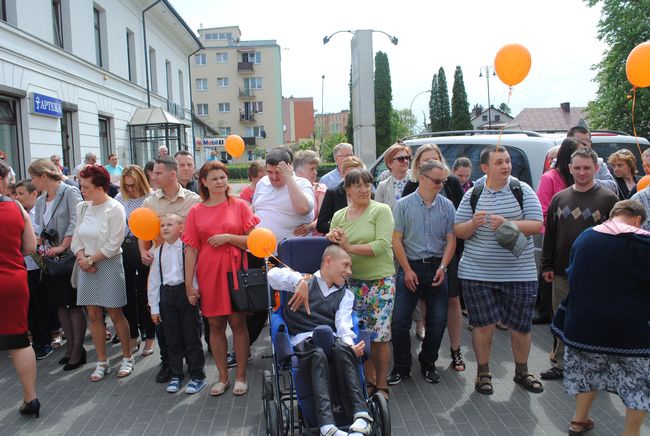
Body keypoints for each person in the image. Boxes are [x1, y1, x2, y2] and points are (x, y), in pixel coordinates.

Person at [551, 200, 650, 436]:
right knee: (637, 384)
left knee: (588, 373)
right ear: (638, 220)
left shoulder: (585, 237)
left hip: (584, 326)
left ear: (613, 215)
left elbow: (573, 275)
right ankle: (631, 433)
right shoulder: (644, 242)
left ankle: (578, 421)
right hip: (630, 331)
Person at [454, 145, 544, 395]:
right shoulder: (474, 192)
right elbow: (458, 230)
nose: (506, 166)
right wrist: (473, 223)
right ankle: (483, 373)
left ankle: (522, 371)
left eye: (507, 161)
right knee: (483, 326)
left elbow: (538, 225)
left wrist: (509, 223)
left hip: (520, 272)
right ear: (485, 168)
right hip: (477, 273)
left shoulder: (521, 189)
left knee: (521, 326)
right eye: (499, 162)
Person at [267, 245, 373, 436]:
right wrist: (299, 281)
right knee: (317, 353)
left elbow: (343, 325)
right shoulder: (302, 280)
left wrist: (351, 346)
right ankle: (326, 425)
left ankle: (361, 416)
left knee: (342, 348)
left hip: (332, 340)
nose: (349, 272)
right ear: (328, 261)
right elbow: (271, 275)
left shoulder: (345, 294)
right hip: (304, 340)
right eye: (346, 265)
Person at [540, 148, 619, 382]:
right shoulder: (559, 198)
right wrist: (547, 266)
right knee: (562, 319)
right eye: (577, 168)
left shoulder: (608, 199)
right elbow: (551, 236)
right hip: (562, 271)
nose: (582, 172)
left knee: (594, 319)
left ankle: (595, 367)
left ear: (596, 168)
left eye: (587, 168)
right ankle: (563, 364)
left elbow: (616, 237)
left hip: (596, 275)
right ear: (570, 168)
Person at [183, 161, 260, 396]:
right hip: (208, 273)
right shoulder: (195, 211)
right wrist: (189, 284)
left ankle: (241, 376)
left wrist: (228, 237)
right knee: (215, 325)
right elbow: (191, 249)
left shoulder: (240, 206)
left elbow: (254, 241)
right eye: (214, 178)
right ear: (203, 182)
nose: (220, 182)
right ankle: (223, 377)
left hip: (235, 271)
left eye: (223, 177)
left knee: (238, 323)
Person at [327, 169, 395, 399]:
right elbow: (335, 250)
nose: (364, 190)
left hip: (379, 283)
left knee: (380, 337)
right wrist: (333, 241)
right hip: (349, 283)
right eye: (357, 186)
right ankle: (368, 379)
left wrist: (349, 247)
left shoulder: (381, 210)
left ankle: (383, 383)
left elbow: (382, 246)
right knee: (359, 333)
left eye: (368, 185)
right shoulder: (339, 216)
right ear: (347, 190)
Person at [389, 160, 457, 385]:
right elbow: (396, 240)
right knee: (399, 321)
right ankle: (401, 366)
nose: (440, 185)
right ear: (422, 178)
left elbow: (451, 239)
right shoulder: (404, 205)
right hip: (411, 268)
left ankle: (428, 363)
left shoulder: (447, 206)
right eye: (437, 181)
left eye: (443, 181)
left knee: (438, 322)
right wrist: (407, 270)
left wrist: (443, 267)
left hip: (437, 267)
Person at [139, 156, 200, 383]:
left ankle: (195, 365)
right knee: (164, 325)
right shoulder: (150, 202)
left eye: (157, 173)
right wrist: (143, 251)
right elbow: (143, 231)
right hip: (161, 266)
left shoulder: (193, 201)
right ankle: (168, 363)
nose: (153, 177)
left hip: (187, 267)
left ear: (171, 175)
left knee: (190, 323)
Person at [401, 144, 466, 358]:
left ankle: (454, 349)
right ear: (420, 170)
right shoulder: (410, 189)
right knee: (422, 306)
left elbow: (455, 225)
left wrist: (445, 263)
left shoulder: (452, 186)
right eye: (425, 160)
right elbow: (400, 232)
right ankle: (426, 341)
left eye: (435, 159)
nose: (431, 163)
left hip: (447, 255)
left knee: (452, 300)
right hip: (417, 259)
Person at [71, 165, 133, 381]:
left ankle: (127, 357)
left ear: (100, 188)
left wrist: (90, 260)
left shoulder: (115, 208)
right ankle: (102, 361)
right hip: (85, 264)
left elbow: (114, 243)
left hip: (108, 263)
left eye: (86, 186)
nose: (82, 190)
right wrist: (81, 257)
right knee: (94, 315)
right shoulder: (82, 207)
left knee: (115, 313)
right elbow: (77, 235)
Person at [29, 159, 86, 370]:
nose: (32, 182)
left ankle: (78, 350)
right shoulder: (42, 199)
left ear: (44, 176)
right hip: (51, 260)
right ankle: (71, 346)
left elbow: (76, 220)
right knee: (60, 304)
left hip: (68, 257)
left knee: (73, 305)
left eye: (34, 177)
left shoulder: (69, 192)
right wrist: (39, 239)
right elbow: (40, 225)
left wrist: (63, 246)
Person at [148, 214, 206, 395]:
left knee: (191, 335)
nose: (164, 228)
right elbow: (154, 281)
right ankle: (176, 374)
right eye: (162, 225)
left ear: (181, 227)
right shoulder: (158, 251)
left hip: (185, 293)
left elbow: (195, 273)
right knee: (171, 337)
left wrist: (193, 291)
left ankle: (197, 374)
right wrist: (154, 307)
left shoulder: (187, 248)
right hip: (167, 295)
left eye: (170, 224)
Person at [0, 162, 40, 418]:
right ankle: (31, 398)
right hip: (12, 280)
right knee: (19, 341)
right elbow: (30, 247)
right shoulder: (15, 207)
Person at [115, 166, 156, 357]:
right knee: (127, 294)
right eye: (127, 185)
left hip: (144, 247)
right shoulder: (119, 199)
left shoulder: (150, 198)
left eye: (133, 185)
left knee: (144, 294)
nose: (130, 189)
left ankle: (150, 335)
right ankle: (133, 334)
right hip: (123, 247)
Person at [15, 179, 53, 360]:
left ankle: (44, 341)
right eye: (16, 194)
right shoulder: (17, 213)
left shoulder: (38, 213)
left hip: (39, 265)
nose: (17, 197)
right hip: (22, 266)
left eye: (21, 194)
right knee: (29, 307)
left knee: (41, 305)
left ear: (34, 194)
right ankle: (37, 339)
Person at [316, 156, 365, 235]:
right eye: (351, 174)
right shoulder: (333, 193)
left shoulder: (367, 194)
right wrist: (342, 231)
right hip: (339, 240)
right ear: (342, 173)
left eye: (358, 173)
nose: (354, 178)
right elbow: (321, 225)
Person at [566, 125, 617, 193]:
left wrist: (589, 181)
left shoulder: (598, 162)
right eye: (581, 141)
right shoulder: (559, 164)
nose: (586, 144)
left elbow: (613, 186)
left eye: (588, 141)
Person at [293, 150, 327, 236]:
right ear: (298, 172)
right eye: (312, 169)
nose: (315, 172)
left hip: (314, 239)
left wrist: (309, 226)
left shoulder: (320, 189)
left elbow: (324, 217)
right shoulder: (288, 188)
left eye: (316, 168)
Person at [375, 143, 412, 210]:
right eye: (401, 159)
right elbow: (378, 212)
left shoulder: (418, 180)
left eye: (407, 158)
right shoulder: (382, 186)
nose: (406, 161)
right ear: (389, 164)